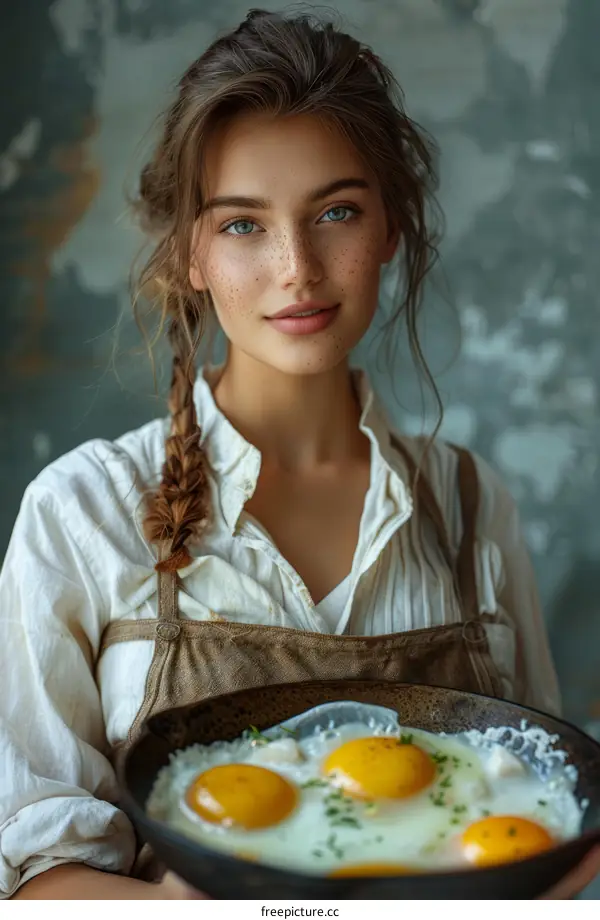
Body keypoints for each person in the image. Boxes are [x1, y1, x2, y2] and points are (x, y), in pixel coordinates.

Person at [1, 8, 598, 901]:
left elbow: (543, 810)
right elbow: (31, 883)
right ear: (190, 252)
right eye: (243, 224)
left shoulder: (473, 503)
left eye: (337, 212)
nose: (298, 268)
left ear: (390, 228)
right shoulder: (81, 511)